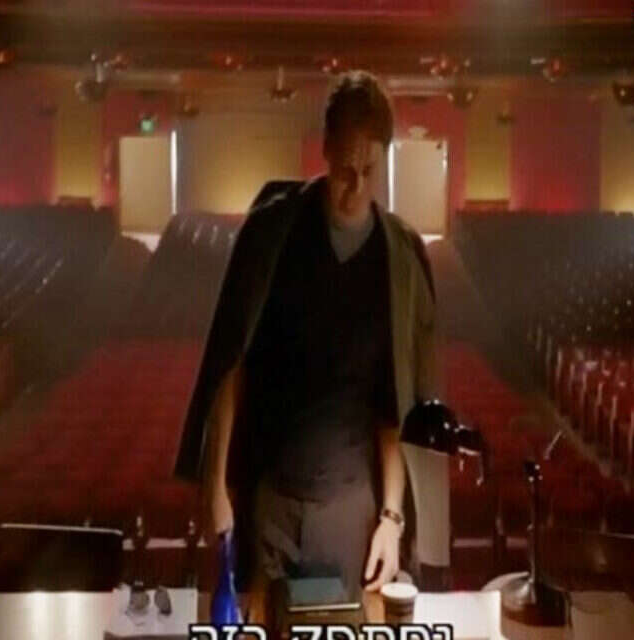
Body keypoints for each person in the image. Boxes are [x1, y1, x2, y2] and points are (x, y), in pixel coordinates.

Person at [173, 70, 439, 603]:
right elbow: (232, 368)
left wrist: (392, 517)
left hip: (351, 505)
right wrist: (218, 488)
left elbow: (395, 404)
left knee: (341, 628)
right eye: (345, 170)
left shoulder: (398, 257)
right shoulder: (272, 234)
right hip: (270, 493)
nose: (356, 187)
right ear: (325, 150)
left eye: (369, 171)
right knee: (259, 623)